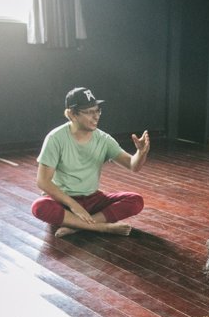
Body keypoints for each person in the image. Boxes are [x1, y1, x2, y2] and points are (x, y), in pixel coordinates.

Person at [31, 87, 150, 237]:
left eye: (97, 110)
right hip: (64, 201)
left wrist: (141, 153)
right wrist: (74, 206)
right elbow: (43, 182)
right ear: (71, 114)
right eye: (88, 112)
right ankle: (102, 227)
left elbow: (133, 165)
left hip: (92, 199)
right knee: (39, 207)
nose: (96, 117)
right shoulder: (55, 138)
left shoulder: (104, 139)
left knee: (136, 201)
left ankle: (77, 226)